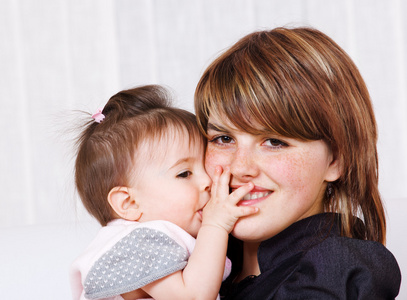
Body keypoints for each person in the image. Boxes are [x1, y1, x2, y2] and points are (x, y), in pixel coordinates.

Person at [194, 27, 401, 299]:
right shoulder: (196, 258)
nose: (240, 167)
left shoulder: (332, 272)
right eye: (223, 138)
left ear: (336, 160)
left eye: (275, 142)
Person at [69, 85, 258, 300]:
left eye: (203, 167)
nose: (207, 181)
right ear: (129, 203)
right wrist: (216, 225)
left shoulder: (158, 237)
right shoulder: (137, 243)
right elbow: (193, 297)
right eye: (185, 173)